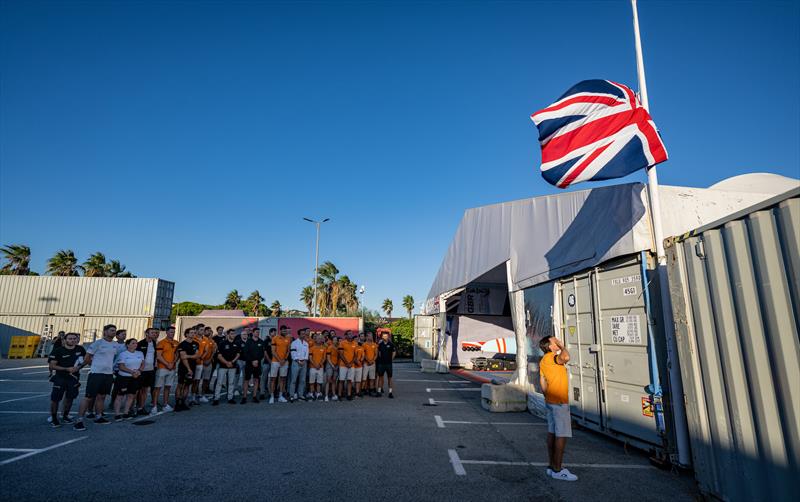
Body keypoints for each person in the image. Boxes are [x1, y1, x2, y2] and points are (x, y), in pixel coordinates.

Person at [539, 335, 577, 481]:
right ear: (550, 346)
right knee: (561, 434)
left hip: (550, 401)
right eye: (554, 340)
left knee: (552, 433)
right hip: (560, 402)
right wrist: (562, 346)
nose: (558, 340)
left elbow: (542, 382)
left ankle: (551, 466)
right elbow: (566, 357)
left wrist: (547, 397)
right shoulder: (551, 357)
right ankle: (557, 469)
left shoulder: (543, 361)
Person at [74, 324, 120, 430]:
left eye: (114, 331)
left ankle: (99, 417)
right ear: (105, 332)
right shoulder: (98, 343)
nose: (113, 332)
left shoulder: (115, 345)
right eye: (111, 330)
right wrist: (92, 366)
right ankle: (79, 420)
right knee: (88, 397)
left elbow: (114, 358)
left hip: (108, 375)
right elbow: (87, 357)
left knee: (102, 396)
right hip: (96, 374)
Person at [47, 332, 86, 427]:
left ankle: (65, 415)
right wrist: (66, 369)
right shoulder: (58, 350)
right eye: (70, 338)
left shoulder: (80, 349)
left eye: (74, 338)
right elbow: (52, 366)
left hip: (74, 378)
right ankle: (54, 418)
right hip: (60, 378)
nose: (72, 340)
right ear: (65, 340)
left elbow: (85, 360)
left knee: (70, 398)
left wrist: (79, 367)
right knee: (55, 399)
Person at [113, 338, 144, 421]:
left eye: (136, 343)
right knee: (120, 395)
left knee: (131, 395)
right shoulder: (123, 354)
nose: (135, 344)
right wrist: (132, 372)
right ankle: (117, 414)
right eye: (133, 343)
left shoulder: (140, 353)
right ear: (127, 345)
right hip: (124, 378)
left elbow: (142, 364)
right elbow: (121, 366)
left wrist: (139, 371)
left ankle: (126, 413)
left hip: (135, 377)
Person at [175, 328, 200, 412]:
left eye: (194, 333)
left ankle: (183, 402)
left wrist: (188, 356)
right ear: (186, 334)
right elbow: (183, 358)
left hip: (193, 367)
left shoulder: (196, 344)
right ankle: (177, 403)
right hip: (184, 368)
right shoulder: (182, 344)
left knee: (187, 385)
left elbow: (197, 355)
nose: (193, 334)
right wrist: (189, 369)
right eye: (191, 333)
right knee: (180, 385)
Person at [154, 326, 178, 412]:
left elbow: (177, 355)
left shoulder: (176, 342)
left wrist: (173, 363)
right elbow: (159, 356)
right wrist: (167, 364)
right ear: (167, 332)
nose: (173, 333)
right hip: (162, 367)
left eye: (174, 332)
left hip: (172, 368)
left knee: (168, 387)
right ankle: (154, 406)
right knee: (158, 387)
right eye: (171, 332)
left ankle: (165, 404)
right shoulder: (161, 343)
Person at [213, 329, 241, 405]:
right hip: (222, 366)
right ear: (228, 335)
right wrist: (226, 362)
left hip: (233, 366)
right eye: (231, 334)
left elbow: (238, 354)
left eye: (234, 334)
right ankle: (216, 398)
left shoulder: (237, 343)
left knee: (231, 383)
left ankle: (230, 398)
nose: (233, 335)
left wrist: (231, 362)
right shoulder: (222, 343)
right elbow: (219, 355)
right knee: (219, 382)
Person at [241, 328, 267, 404]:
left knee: (256, 380)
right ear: (253, 333)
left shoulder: (261, 342)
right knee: (247, 380)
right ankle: (244, 397)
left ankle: (254, 396)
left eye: (258, 332)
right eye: (256, 332)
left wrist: (257, 360)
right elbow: (245, 352)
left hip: (257, 364)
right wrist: (252, 360)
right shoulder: (248, 341)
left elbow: (262, 354)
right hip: (249, 363)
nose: (258, 333)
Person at [136, 328, 158, 416]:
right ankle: (134, 407)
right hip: (141, 370)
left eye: (155, 333)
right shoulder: (140, 343)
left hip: (151, 370)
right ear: (146, 334)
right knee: (138, 390)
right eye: (152, 333)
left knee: (145, 389)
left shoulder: (154, 343)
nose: (154, 334)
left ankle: (141, 407)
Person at [269, 325, 291, 403]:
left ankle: (280, 396)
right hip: (275, 361)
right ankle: (271, 396)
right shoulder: (275, 338)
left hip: (284, 362)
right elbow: (273, 351)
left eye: (285, 331)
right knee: (273, 379)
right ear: (280, 331)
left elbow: (288, 350)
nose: (284, 332)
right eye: (283, 330)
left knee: (282, 379)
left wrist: (284, 359)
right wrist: (279, 360)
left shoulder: (288, 339)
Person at [288, 329, 309, 402]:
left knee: (302, 380)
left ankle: (300, 395)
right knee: (293, 380)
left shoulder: (306, 343)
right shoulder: (294, 343)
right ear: (299, 334)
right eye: (302, 334)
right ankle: (291, 395)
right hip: (296, 363)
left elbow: (307, 353)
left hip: (304, 363)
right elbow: (293, 353)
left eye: (304, 334)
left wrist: (304, 361)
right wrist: (298, 361)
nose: (304, 335)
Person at [376, 331, 396, 398]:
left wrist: (391, 359)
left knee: (389, 378)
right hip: (381, 364)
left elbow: (394, 352)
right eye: (384, 336)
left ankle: (390, 393)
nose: (385, 337)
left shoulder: (391, 344)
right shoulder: (380, 344)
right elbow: (378, 353)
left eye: (386, 336)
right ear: (382, 337)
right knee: (380, 377)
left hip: (388, 364)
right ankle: (379, 391)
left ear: (388, 337)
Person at [308, 334, 326, 401]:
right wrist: (315, 365)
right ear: (315, 339)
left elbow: (324, 358)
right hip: (313, 367)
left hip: (320, 367)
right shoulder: (312, 348)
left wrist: (320, 364)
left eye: (320, 338)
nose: (319, 340)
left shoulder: (324, 348)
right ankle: (311, 394)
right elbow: (310, 358)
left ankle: (318, 394)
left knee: (319, 382)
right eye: (318, 338)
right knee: (312, 382)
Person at [338, 331, 356, 401]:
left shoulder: (355, 343)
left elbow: (355, 355)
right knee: (341, 381)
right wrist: (347, 363)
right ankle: (339, 395)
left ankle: (349, 395)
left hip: (351, 365)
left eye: (352, 333)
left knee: (349, 381)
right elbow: (341, 354)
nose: (351, 335)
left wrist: (351, 363)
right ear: (346, 335)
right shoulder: (342, 343)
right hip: (343, 365)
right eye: (349, 334)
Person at [234, 329, 251, 397]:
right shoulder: (238, 342)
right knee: (237, 376)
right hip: (239, 360)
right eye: (243, 334)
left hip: (247, 361)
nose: (245, 335)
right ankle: (235, 390)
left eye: (246, 334)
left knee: (246, 376)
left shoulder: (249, 342)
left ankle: (245, 389)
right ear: (241, 335)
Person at [259, 328, 274, 400]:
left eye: (275, 332)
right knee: (264, 378)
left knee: (271, 378)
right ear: (270, 333)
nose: (274, 333)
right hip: (266, 362)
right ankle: (262, 392)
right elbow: (265, 352)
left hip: (274, 362)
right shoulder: (266, 341)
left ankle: (270, 392)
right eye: (273, 332)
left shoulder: (275, 340)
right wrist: (269, 360)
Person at [362, 332, 378, 397]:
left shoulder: (375, 344)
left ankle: (371, 390)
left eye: (371, 336)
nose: (370, 337)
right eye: (369, 336)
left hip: (372, 364)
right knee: (364, 378)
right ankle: (363, 390)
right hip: (366, 363)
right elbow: (363, 354)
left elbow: (376, 354)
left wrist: (372, 361)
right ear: (367, 337)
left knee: (372, 378)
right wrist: (368, 361)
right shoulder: (364, 344)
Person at [324, 334, 339, 402]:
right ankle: (326, 396)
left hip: (336, 366)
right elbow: (328, 358)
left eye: (336, 340)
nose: (336, 341)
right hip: (330, 365)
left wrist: (336, 365)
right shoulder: (330, 347)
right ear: (332, 341)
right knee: (328, 380)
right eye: (334, 340)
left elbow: (338, 358)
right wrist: (332, 365)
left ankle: (333, 395)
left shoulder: (338, 348)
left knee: (334, 381)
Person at [353, 334, 366, 398]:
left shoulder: (361, 347)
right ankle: (352, 392)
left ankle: (357, 392)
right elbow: (352, 356)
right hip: (353, 366)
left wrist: (360, 360)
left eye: (357, 340)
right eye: (355, 340)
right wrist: (356, 361)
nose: (356, 341)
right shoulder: (352, 347)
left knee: (358, 380)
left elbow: (363, 355)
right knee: (352, 380)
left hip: (359, 366)